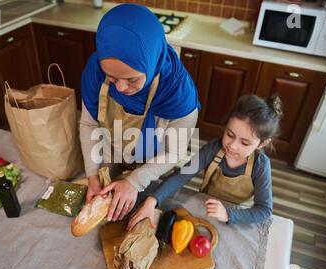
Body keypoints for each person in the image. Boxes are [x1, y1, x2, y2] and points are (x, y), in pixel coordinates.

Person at [80, 4, 200, 222]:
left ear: (153, 61)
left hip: (152, 168)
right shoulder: (95, 70)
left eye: (132, 79)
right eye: (112, 78)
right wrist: (92, 175)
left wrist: (135, 181)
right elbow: (88, 125)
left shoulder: (179, 93)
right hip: (110, 154)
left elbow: (174, 153)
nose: (121, 88)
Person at [127, 95, 283, 230]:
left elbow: (264, 210)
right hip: (206, 205)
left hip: (238, 215)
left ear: (261, 144)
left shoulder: (261, 166)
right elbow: (182, 175)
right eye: (229, 134)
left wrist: (228, 214)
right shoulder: (213, 149)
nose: (232, 145)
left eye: (244, 143)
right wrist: (152, 200)